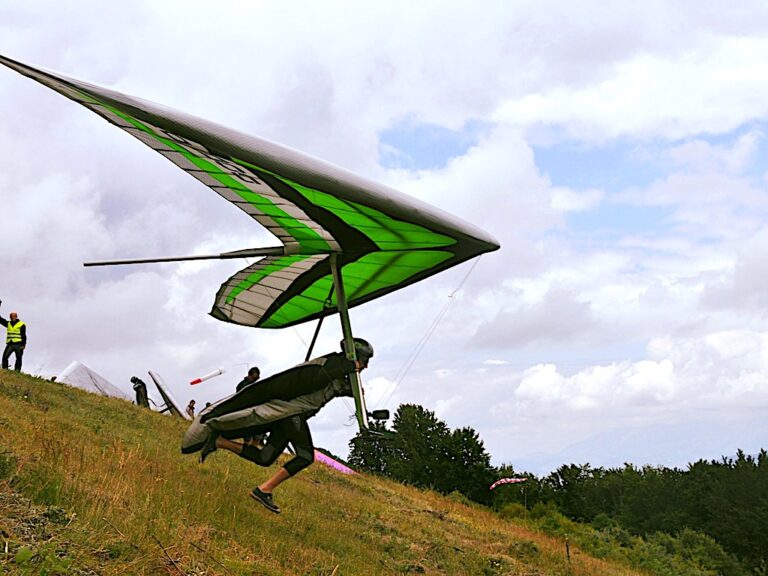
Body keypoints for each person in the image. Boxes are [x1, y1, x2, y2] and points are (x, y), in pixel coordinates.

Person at [188, 338, 373, 514]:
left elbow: (332, 387)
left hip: (289, 417)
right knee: (306, 456)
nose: (366, 366)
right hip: (291, 414)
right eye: (365, 361)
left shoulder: (340, 372)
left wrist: (352, 390)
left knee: (265, 457)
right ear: (355, 357)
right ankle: (264, 490)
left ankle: (219, 442)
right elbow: (316, 379)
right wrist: (348, 367)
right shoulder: (332, 364)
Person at [1, 304, 27, 372]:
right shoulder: (8, 323)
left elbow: (24, 335)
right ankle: (5, 370)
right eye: (11, 316)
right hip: (10, 343)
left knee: (19, 358)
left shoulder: (21, 324)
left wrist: (23, 345)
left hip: (18, 344)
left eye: (13, 316)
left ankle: (17, 371)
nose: (11, 317)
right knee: (5, 357)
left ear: (16, 317)